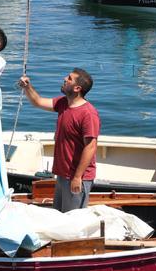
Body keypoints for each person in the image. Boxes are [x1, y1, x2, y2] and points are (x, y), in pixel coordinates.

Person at [17, 69, 99, 212]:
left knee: (72, 221)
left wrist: (77, 177)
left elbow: (90, 147)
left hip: (77, 177)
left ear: (77, 88)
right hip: (62, 174)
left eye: (69, 78)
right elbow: (38, 101)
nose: (64, 79)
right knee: (59, 216)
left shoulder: (88, 113)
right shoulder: (63, 103)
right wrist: (27, 87)